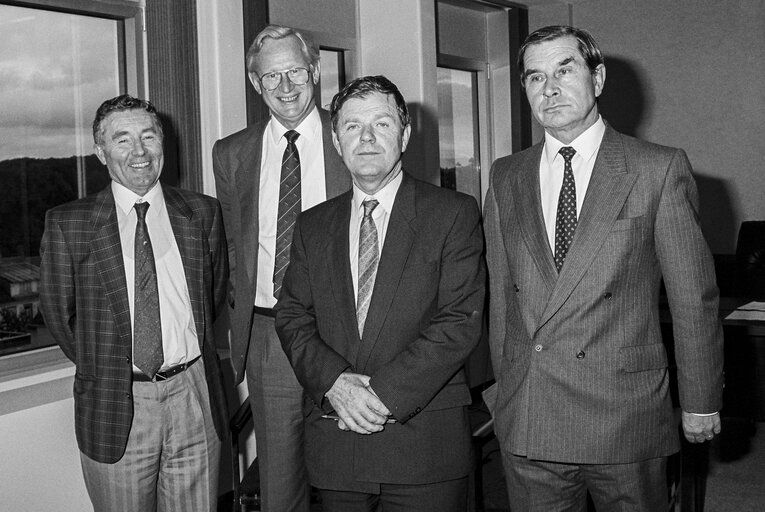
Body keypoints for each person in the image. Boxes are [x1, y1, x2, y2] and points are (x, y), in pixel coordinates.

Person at [483, 25, 724, 511]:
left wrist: (699, 400)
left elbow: (692, 298)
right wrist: (502, 391)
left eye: (564, 71)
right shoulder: (505, 175)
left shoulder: (657, 168)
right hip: (531, 411)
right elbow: (502, 295)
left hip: (624, 415)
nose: (548, 89)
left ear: (598, 79)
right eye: (534, 77)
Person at [274, 75, 486, 511]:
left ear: (405, 134)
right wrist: (334, 383)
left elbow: (459, 322)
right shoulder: (313, 225)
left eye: (382, 124)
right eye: (352, 126)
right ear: (336, 140)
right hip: (338, 443)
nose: (366, 138)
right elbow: (292, 316)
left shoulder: (453, 214)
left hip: (423, 447)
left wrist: (380, 395)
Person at [39, 94, 229, 511]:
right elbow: (58, 314)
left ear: (163, 144)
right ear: (101, 152)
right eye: (122, 140)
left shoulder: (202, 213)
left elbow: (210, 301)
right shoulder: (69, 223)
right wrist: (105, 367)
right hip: (116, 401)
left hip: (194, 395)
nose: (139, 151)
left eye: (148, 136)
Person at [212, 24, 351, 511]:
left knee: (351, 472)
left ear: (315, 71)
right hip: (270, 334)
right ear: (256, 83)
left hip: (346, 327)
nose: (286, 87)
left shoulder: (350, 134)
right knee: (279, 479)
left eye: (295, 71)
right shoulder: (231, 154)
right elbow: (233, 243)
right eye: (272, 76)